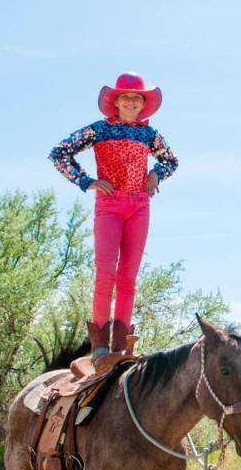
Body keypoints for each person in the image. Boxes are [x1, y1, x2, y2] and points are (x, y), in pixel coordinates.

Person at [49, 72, 178, 363]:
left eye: (137, 98)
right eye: (126, 97)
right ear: (116, 101)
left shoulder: (149, 134)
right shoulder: (98, 130)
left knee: (128, 277)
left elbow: (171, 160)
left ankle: (121, 344)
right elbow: (59, 153)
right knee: (105, 273)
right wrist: (86, 181)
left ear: (143, 103)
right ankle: (99, 345)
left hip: (139, 206)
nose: (131, 102)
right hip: (109, 204)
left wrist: (156, 174)